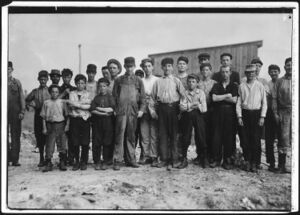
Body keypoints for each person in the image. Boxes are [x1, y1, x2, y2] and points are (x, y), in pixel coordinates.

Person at [151, 57, 186, 170]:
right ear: (162, 68)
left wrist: (181, 110)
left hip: (174, 109)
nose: (167, 68)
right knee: (163, 135)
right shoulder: (158, 82)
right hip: (162, 109)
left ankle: (175, 159)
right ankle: (164, 159)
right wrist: (153, 111)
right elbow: (151, 99)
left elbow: (183, 96)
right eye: (165, 66)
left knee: (174, 135)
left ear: (172, 67)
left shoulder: (176, 81)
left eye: (169, 66)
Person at [112, 57, 146, 170]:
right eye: (127, 66)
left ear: (134, 66)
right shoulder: (119, 80)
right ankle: (117, 160)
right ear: (125, 66)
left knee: (131, 136)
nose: (129, 68)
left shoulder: (138, 80)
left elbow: (143, 98)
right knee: (119, 135)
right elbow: (114, 97)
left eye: (131, 66)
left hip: (133, 111)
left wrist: (141, 110)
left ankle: (130, 159)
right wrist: (115, 109)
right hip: (121, 112)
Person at [236, 64, 267, 173]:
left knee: (256, 139)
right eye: (248, 73)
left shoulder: (260, 86)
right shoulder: (242, 86)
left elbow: (264, 103)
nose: (250, 74)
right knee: (245, 139)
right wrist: (239, 116)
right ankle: (247, 161)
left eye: (253, 72)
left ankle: (255, 162)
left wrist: (262, 116)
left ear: (255, 73)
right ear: (246, 74)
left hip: (256, 114)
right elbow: (238, 102)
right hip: (245, 114)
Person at [210, 65, 238, 169]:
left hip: (230, 114)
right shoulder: (217, 85)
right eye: (223, 72)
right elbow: (214, 98)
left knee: (229, 137)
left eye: (227, 72)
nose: (225, 74)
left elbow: (234, 100)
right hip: (217, 113)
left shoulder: (234, 85)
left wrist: (220, 97)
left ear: (230, 73)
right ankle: (216, 159)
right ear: (220, 73)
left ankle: (227, 160)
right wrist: (227, 96)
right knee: (216, 137)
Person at [179, 74, 207, 169]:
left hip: (199, 116)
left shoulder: (201, 93)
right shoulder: (184, 93)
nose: (191, 84)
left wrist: (190, 106)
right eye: (189, 82)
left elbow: (204, 108)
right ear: (187, 83)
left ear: (197, 83)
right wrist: (194, 104)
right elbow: (182, 107)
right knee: (186, 136)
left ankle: (202, 158)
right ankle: (184, 158)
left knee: (201, 136)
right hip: (187, 117)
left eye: (193, 82)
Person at [40, 85, 69, 172]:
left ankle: (62, 162)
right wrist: (44, 128)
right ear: (50, 92)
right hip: (50, 125)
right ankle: (48, 162)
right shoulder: (46, 103)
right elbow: (43, 117)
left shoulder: (62, 102)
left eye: (56, 92)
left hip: (60, 124)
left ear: (59, 93)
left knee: (62, 143)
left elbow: (67, 115)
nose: (54, 94)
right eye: (53, 92)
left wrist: (67, 125)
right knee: (49, 144)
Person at [26, 70, 51, 167]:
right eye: (41, 79)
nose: (43, 81)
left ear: (47, 80)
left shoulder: (50, 90)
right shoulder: (35, 91)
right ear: (38, 79)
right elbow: (27, 100)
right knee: (39, 137)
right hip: (38, 116)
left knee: (48, 137)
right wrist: (31, 105)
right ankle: (41, 158)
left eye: (45, 79)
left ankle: (48, 159)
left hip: (48, 116)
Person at [67, 74, 91, 171]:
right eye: (78, 83)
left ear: (85, 84)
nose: (80, 85)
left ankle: (84, 161)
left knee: (85, 141)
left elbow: (89, 106)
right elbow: (71, 105)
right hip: (75, 119)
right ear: (75, 83)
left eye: (82, 83)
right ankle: (76, 161)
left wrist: (77, 105)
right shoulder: (72, 93)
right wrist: (82, 105)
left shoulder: (88, 94)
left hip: (85, 119)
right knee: (75, 141)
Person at [272, 57, 292, 174]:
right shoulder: (279, 81)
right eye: (288, 65)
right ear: (284, 67)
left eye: (292, 64)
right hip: (283, 113)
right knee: (283, 139)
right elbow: (274, 99)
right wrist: (275, 113)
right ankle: (281, 165)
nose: (290, 67)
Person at [90, 78, 115, 170]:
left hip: (108, 123)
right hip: (97, 122)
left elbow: (112, 109)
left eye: (104, 86)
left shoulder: (110, 97)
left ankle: (105, 161)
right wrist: (103, 113)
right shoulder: (96, 98)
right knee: (97, 141)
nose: (102, 88)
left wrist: (100, 109)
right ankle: (97, 161)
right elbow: (92, 109)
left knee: (107, 141)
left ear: (108, 87)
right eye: (100, 86)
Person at [139, 58, 160, 167]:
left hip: (154, 109)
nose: (147, 68)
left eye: (149, 66)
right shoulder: (141, 80)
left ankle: (154, 156)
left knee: (154, 133)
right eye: (145, 66)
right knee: (144, 134)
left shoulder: (157, 80)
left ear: (152, 67)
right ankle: (145, 155)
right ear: (142, 68)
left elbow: (158, 95)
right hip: (143, 110)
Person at [197, 62, 216, 165]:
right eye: (203, 70)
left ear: (210, 71)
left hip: (211, 111)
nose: (205, 72)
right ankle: (200, 155)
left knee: (211, 133)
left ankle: (210, 155)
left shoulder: (214, 83)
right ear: (201, 72)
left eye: (207, 70)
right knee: (200, 133)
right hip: (200, 111)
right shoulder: (198, 83)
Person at [7, 61, 26, 166]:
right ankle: (5, 158)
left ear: (12, 70)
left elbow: (22, 98)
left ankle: (15, 159)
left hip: (15, 112)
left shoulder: (17, 82)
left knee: (15, 136)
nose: (7, 70)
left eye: (9, 68)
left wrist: (22, 111)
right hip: (3, 113)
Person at [59, 68, 76, 166]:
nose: (66, 79)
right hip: (60, 116)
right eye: (65, 77)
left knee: (72, 137)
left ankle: (71, 158)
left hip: (71, 116)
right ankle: (63, 159)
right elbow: (55, 100)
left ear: (71, 78)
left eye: (68, 77)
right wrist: (64, 93)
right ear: (62, 77)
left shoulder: (74, 89)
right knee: (62, 138)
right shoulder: (59, 89)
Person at [265, 64, 281, 172]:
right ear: (269, 73)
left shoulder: (282, 82)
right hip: (270, 113)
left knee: (281, 139)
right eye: (271, 71)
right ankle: (271, 163)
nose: (273, 73)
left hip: (282, 112)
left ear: (279, 72)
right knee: (269, 139)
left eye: (275, 71)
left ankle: (281, 164)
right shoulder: (268, 84)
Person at [134, 69, 145, 163]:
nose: (138, 78)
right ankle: (131, 155)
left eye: (140, 76)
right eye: (137, 76)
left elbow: (143, 101)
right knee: (133, 135)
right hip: (132, 114)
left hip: (142, 115)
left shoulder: (143, 88)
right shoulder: (132, 87)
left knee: (142, 135)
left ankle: (142, 155)